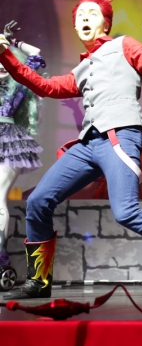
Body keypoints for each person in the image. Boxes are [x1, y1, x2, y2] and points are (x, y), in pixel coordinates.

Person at [0, 0, 142, 299]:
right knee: (38, 201)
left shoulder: (125, 45)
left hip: (119, 137)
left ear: (106, 23)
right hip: (87, 144)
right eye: (80, 16)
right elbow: (46, 86)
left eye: (92, 14)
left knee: (126, 212)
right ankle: (39, 282)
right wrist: (5, 56)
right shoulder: (83, 68)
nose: (84, 18)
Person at [0, 21, 44, 291]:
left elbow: (36, 55)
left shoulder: (19, 84)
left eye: (5, 59)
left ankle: (1, 259)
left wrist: (11, 42)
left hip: (8, 141)